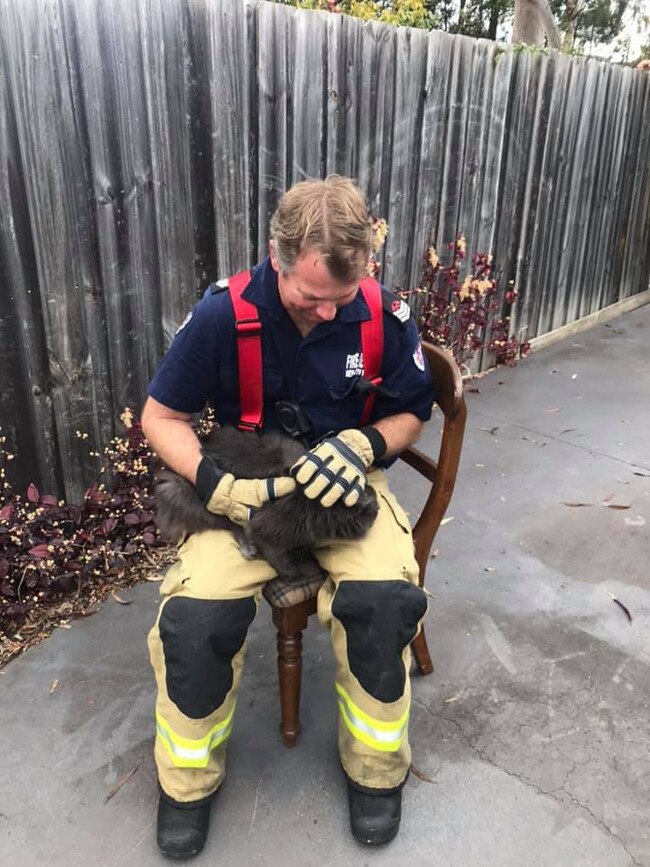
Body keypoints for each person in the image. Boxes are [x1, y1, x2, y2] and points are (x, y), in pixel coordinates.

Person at [141, 175, 435, 860]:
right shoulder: (222, 316)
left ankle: (376, 770)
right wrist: (215, 484)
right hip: (243, 485)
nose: (330, 313)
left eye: (342, 298)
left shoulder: (383, 316)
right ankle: (186, 781)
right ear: (277, 256)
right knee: (195, 619)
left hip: (345, 487)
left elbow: (412, 410)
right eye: (311, 296)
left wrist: (365, 442)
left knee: (384, 601)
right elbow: (161, 417)